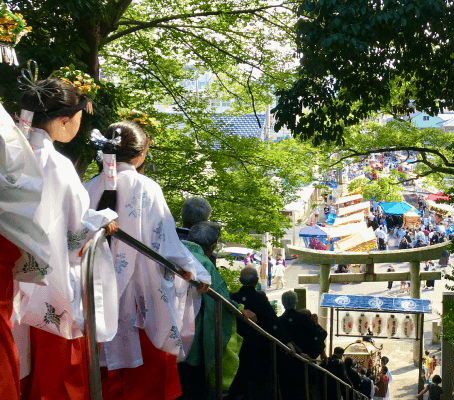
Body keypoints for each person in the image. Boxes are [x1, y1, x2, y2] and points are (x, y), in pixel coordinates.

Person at [6, 77, 120, 400]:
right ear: (64, 120)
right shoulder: (58, 165)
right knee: (59, 381)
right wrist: (104, 221)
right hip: (51, 287)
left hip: (14, 284)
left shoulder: (16, 155)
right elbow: (76, 233)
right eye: (78, 122)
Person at [86, 120, 212, 400]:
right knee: (145, 384)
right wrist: (198, 273)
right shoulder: (147, 188)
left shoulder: (88, 187)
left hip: (96, 299)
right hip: (140, 300)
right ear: (141, 153)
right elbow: (168, 246)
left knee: (101, 381)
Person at [178, 222, 255, 400]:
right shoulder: (205, 263)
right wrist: (240, 310)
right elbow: (222, 301)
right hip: (192, 342)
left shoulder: (173, 254)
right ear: (212, 247)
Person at [228, 266, 297, 400]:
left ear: (241, 280)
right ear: (257, 281)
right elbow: (273, 321)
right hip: (256, 348)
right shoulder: (259, 299)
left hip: (234, 347)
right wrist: (288, 341)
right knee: (254, 384)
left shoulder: (232, 298)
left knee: (238, 380)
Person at [278, 291, 321, 400]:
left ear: (283, 303)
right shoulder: (304, 318)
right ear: (296, 302)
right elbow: (315, 339)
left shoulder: (280, 321)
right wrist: (313, 355)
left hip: (286, 364)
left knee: (288, 393)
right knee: (305, 392)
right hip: (306, 363)